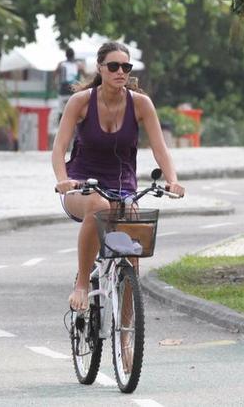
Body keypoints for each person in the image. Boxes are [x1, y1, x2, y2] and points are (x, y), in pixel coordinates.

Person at [52, 41, 185, 311]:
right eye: (113, 66)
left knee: (132, 244)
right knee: (99, 206)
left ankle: (125, 337)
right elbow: (59, 147)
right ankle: (82, 283)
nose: (120, 72)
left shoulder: (141, 104)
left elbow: (160, 149)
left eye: (126, 66)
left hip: (123, 187)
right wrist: (63, 179)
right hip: (81, 185)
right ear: (100, 69)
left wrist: (172, 179)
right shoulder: (80, 102)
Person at [55, 48, 86, 116]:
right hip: (74, 91)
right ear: (74, 55)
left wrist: (55, 85)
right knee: (75, 112)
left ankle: (61, 125)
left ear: (66, 55)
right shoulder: (78, 65)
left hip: (63, 91)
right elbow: (85, 75)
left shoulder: (61, 64)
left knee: (61, 111)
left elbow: (55, 74)